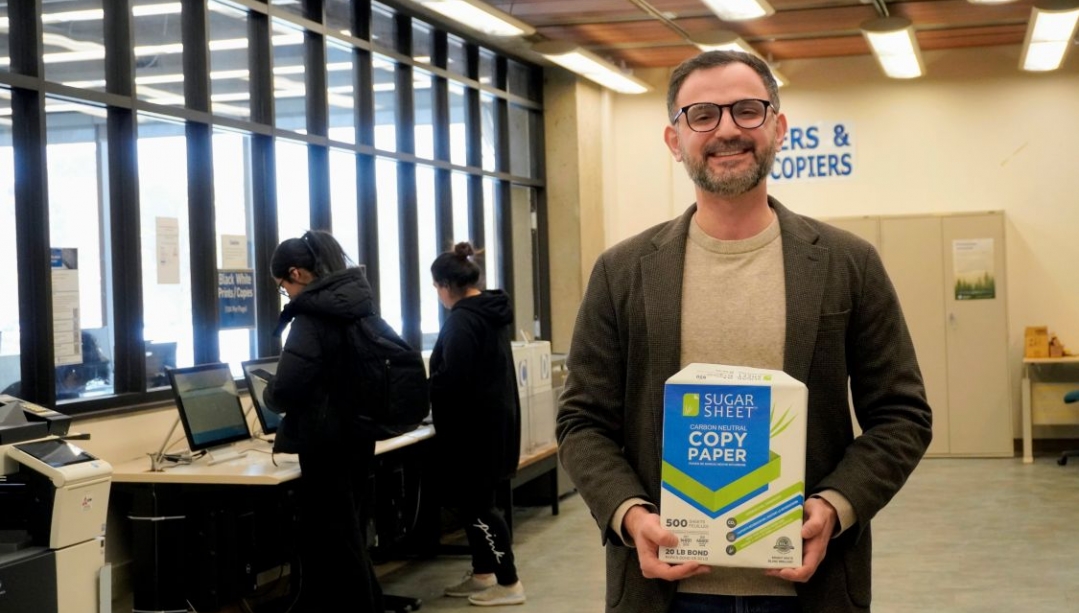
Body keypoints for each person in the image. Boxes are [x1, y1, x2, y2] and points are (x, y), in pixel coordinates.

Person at [556, 50, 933, 613]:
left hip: (810, 586)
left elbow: (902, 414)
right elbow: (582, 420)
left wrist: (835, 506)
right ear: (673, 139)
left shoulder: (847, 263)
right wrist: (631, 516)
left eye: (748, 110)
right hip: (663, 590)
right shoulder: (622, 272)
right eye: (702, 114)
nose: (727, 129)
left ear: (778, 127)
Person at [262, 230, 384, 613]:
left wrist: (270, 394)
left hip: (325, 441)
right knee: (349, 534)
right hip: (359, 434)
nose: (288, 296)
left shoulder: (311, 318)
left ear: (297, 274)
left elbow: (290, 385)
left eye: (283, 287)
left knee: (333, 540)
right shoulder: (358, 304)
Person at [428, 241, 526, 607]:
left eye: (435, 288)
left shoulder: (462, 321)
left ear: (444, 285)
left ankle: (509, 581)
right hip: (495, 423)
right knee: (477, 503)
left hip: (474, 431)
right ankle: (484, 574)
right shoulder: (489, 311)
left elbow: (452, 378)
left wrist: (426, 392)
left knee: (479, 506)